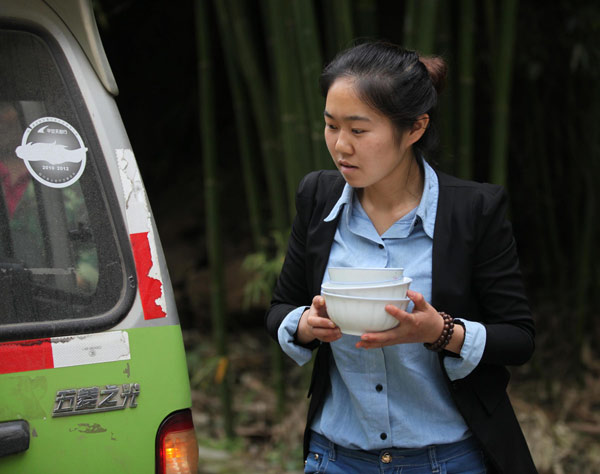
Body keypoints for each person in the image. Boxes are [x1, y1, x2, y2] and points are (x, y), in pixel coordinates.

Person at [265, 41, 537, 474]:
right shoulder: (317, 198)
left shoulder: (474, 210)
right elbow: (281, 307)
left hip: (448, 460)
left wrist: (441, 331)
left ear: (414, 128)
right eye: (331, 126)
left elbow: (519, 338)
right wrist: (304, 324)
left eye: (358, 130)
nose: (340, 146)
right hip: (336, 458)